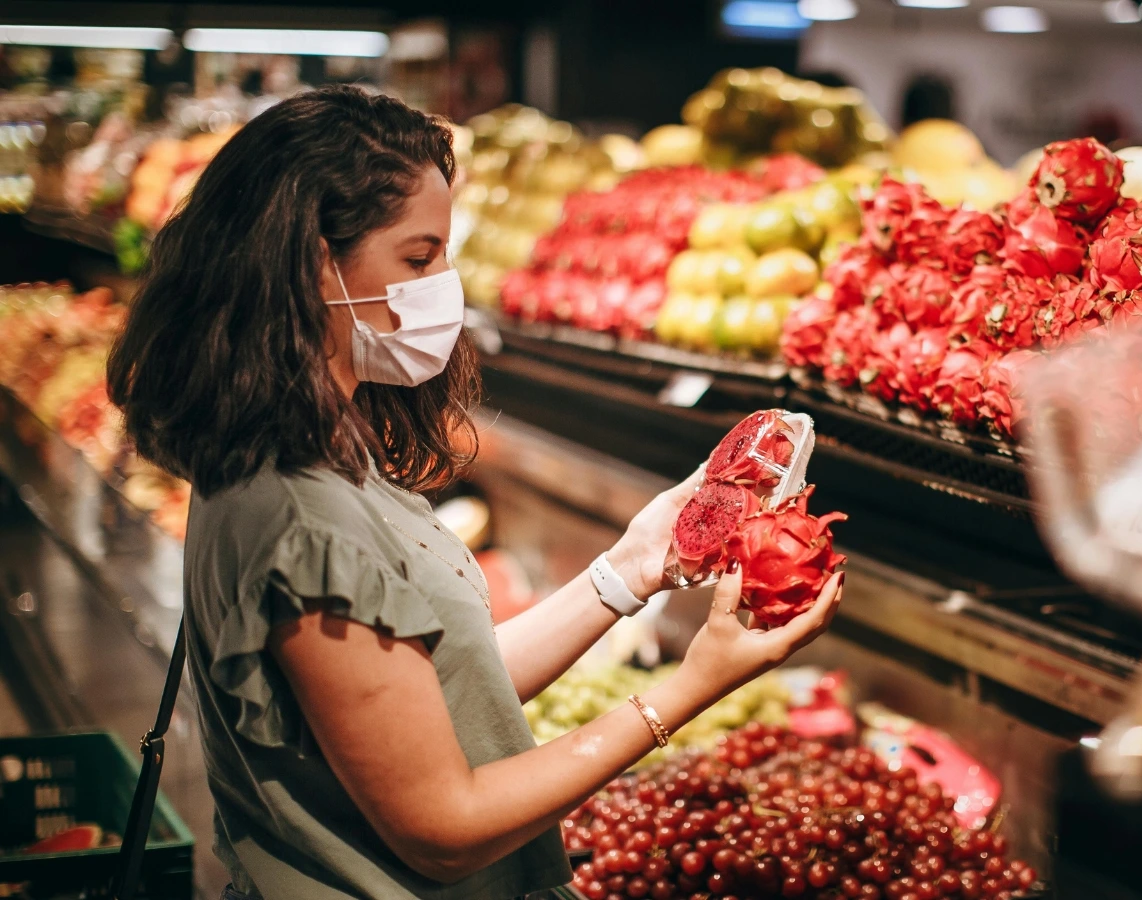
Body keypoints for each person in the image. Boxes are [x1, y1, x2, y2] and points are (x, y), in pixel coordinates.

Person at [106, 85, 843, 900]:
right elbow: (443, 831)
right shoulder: (301, 516)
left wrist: (627, 572)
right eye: (419, 259)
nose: (444, 286)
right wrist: (690, 687)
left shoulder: (292, 455)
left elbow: (434, 692)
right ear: (315, 263)